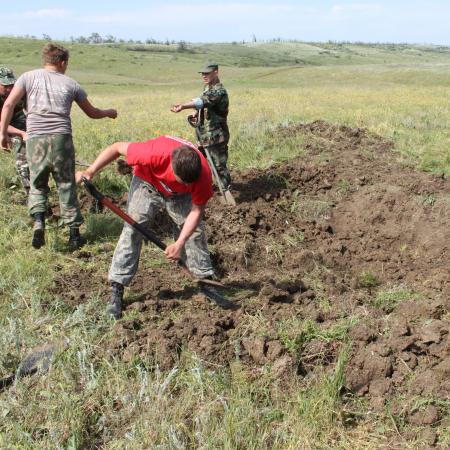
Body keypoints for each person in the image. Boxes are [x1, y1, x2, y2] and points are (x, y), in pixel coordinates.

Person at [75, 135, 216, 319]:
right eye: (184, 181)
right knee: (132, 230)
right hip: (147, 183)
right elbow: (117, 147)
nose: (189, 185)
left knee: (194, 233)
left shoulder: (203, 176)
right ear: (171, 167)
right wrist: (91, 170)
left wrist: (179, 243)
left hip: (180, 196)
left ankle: (205, 282)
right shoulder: (153, 154)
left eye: (191, 183)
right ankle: (117, 288)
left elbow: (196, 212)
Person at [0, 42, 117, 250]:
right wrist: (109, 112)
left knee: (37, 184)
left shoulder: (27, 77)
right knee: (66, 185)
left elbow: (8, 104)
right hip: (62, 138)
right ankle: (74, 235)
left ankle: (38, 221)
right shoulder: (71, 84)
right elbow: (92, 112)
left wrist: (3, 135)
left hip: (35, 138)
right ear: (62, 62)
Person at [171, 62, 231, 191]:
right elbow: (202, 105)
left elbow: (201, 101)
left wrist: (183, 106)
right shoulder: (207, 88)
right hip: (204, 135)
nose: (204, 76)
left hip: (216, 136)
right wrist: (196, 114)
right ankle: (206, 188)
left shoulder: (218, 90)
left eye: (207, 73)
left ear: (216, 72)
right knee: (203, 164)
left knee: (219, 166)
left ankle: (225, 190)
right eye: (202, 73)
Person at [0, 67, 30, 194]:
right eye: (5, 85)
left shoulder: (19, 93)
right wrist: (21, 133)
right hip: (3, 125)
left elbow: (31, 112)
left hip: (16, 121)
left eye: (11, 85)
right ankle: (28, 186)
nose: (9, 89)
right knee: (19, 142)